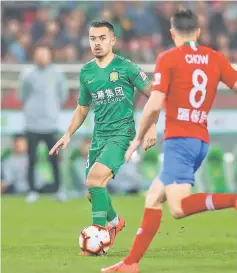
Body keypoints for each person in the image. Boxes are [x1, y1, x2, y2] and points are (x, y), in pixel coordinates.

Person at [101, 9, 237, 273]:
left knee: (178, 208)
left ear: (172, 32)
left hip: (179, 142)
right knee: (153, 197)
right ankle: (131, 263)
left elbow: (153, 105)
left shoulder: (169, 58)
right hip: (200, 141)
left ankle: (233, 199)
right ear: (198, 32)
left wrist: (137, 137)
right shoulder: (216, 58)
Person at [49, 21, 156, 255]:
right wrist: (68, 134)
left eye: (102, 38)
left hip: (122, 135)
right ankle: (116, 222)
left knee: (94, 181)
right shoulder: (86, 71)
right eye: (92, 38)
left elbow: (154, 94)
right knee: (92, 191)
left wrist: (151, 127)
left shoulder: (127, 67)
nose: (97, 43)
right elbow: (82, 108)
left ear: (112, 40)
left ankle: (98, 238)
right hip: (99, 136)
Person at [18, 45, 68, 203]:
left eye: (45, 54)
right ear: (34, 56)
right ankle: (32, 190)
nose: (42, 57)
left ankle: (58, 189)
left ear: (50, 56)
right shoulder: (27, 74)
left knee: (54, 159)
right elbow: (22, 95)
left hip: (51, 123)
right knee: (31, 159)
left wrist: (52, 109)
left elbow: (63, 95)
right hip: (32, 123)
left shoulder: (57, 74)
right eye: (39, 54)